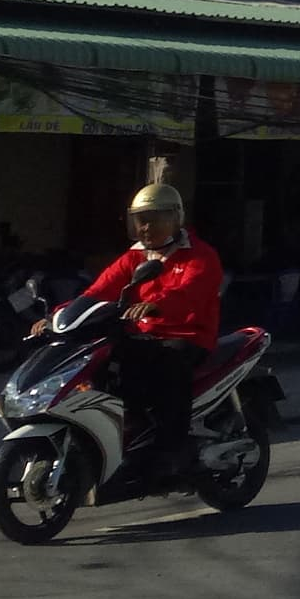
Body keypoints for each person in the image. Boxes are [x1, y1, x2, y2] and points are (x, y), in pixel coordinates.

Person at [77, 166, 224, 470]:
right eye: (140, 221)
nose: (145, 228)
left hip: (187, 336)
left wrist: (156, 304)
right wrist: (59, 316)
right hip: (143, 335)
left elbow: (191, 292)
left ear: (175, 219)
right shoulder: (134, 257)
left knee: (169, 367)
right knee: (102, 363)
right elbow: (98, 291)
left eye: (153, 220)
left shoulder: (200, 255)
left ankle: (173, 447)